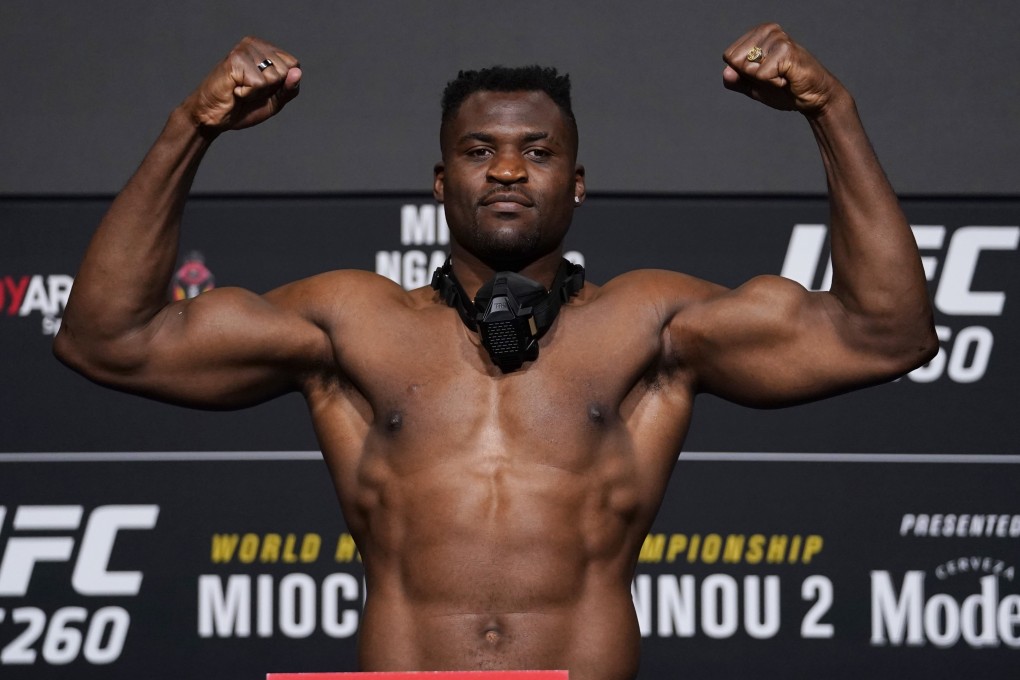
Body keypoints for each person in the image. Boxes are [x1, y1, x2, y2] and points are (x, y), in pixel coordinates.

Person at [54, 24, 937, 680]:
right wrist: (191, 124)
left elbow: (885, 333)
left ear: (577, 183)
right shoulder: (351, 325)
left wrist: (832, 111)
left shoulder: (652, 326)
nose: (508, 171)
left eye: (537, 152)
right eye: (479, 151)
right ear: (441, 183)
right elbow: (109, 338)